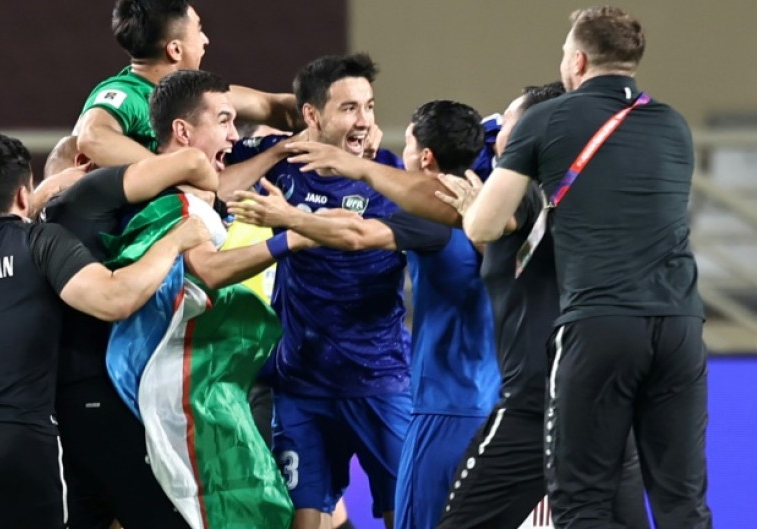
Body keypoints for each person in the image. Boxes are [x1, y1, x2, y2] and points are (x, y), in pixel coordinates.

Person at [459, 7, 711, 528]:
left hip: (599, 324)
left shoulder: (545, 120)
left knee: (582, 501)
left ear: (577, 60)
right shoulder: (673, 125)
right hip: (682, 324)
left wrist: (471, 204)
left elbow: (483, 227)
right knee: (682, 503)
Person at [46, 69, 311, 529]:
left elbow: (212, 186)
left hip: (164, 390)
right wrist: (291, 239)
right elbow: (204, 267)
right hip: (144, 393)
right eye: (224, 120)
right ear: (183, 131)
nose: (234, 133)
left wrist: (279, 150)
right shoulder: (164, 201)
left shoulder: (174, 195)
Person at [0, 133, 210, 529]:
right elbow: (114, 298)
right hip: (18, 445)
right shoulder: (40, 243)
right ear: (22, 193)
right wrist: (174, 242)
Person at [231, 100, 500, 529]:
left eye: (407, 143)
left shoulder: (429, 221)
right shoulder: (492, 199)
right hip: (488, 393)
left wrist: (289, 217)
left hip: (444, 405)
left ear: (426, 157)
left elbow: (354, 233)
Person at [436, 83, 649, 529]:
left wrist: (362, 173)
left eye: (510, 120)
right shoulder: (589, 191)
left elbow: (506, 217)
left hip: (537, 405)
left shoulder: (527, 190)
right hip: (605, 400)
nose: (497, 129)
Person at [223, 53, 410, 529]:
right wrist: (279, 146)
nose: (365, 122)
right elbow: (217, 180)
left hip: (379, 381)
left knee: (404, 517)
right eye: (349, 108)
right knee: (304, 522)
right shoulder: (279, 173)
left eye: (368, 107)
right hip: (301, 384)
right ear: (312, 115)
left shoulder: (393, 181)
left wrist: (290, 219)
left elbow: (351, 232)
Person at [74, 0, 300, 166]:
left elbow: (276, 108)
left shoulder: (199, 94)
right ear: (175, 50)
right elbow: (93, 137)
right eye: (199, 29)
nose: (206, 40)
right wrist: (174, 177)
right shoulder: (126, 94)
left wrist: (320, 112)